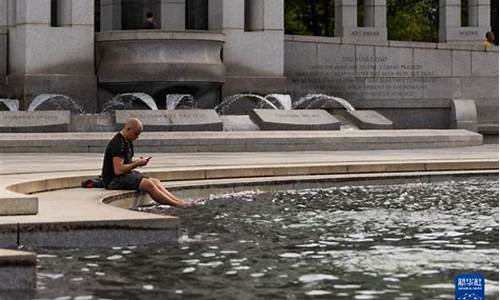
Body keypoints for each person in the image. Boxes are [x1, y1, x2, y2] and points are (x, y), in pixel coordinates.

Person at [101, 118, 193, 208]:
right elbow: (118, 170)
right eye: (135, 134)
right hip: (113, 181)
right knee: (148, 184)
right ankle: (176, 204)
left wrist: (137, 162)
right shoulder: (118, 144)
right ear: (127, 129)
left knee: (155, 182)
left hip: (122, 176)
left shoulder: (128, 141)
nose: (137, 137)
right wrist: (136, 164)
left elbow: (126, 163)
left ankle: (177, 200)